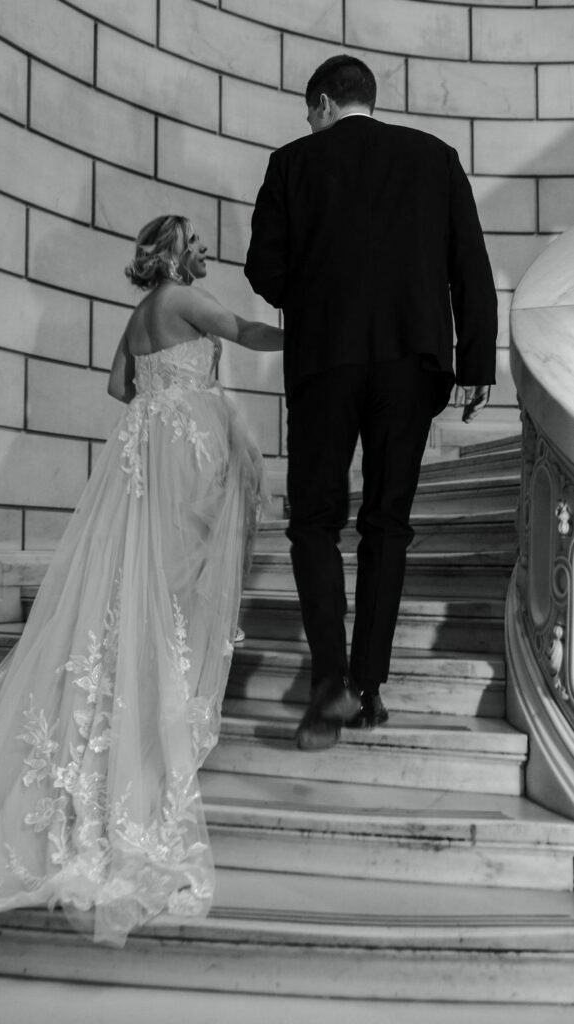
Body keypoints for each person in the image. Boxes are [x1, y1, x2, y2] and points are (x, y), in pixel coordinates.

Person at [0, 214, 283, 945]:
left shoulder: (140, 313)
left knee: (136, 583)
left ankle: (136, 696)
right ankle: (152, 711)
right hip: (176, 450)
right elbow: (246, 331)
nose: (202, 250)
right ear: (170, 253)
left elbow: (116, 385)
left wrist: (161, 401)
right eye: (192, 242)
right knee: (171, 581)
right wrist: (312, 330)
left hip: (145, 446)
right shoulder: (182, 299)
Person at [245, 56, 497, 751]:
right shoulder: (433, 157)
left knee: (314, 521)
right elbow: (468, 262)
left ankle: (327, 679)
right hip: (411, 363)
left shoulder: (291, 163)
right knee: (387, 522)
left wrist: (321, 291)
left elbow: (263, 269)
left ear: (323, 101)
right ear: (368, 100)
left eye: (309, 112)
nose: (310, 124)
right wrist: (476, 361)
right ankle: (369, 686)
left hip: (324, 360)